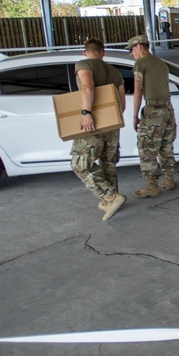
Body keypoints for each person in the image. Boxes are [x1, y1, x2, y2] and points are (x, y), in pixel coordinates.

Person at [71, 38, 126, 221]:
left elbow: (87, 86)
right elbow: (121, 103)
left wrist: (87, 113)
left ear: (84, 52)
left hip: (92, 124)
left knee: (80, 164)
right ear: (103, 52)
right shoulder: (115, 72)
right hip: (112, 124)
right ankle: (113, 200)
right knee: (108, 163)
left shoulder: (83, 64)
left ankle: (111, 198)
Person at [128, 34, 177, 198]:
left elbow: (137, 91)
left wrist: (135, 115)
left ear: (140, 46)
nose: (131, 53)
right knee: (166, 146)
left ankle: (152, 186)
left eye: (132, 49)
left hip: (153, 110)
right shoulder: (161, 63)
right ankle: (169, 180)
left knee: (147, 148)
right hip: (168, 109)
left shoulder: (140, 64)